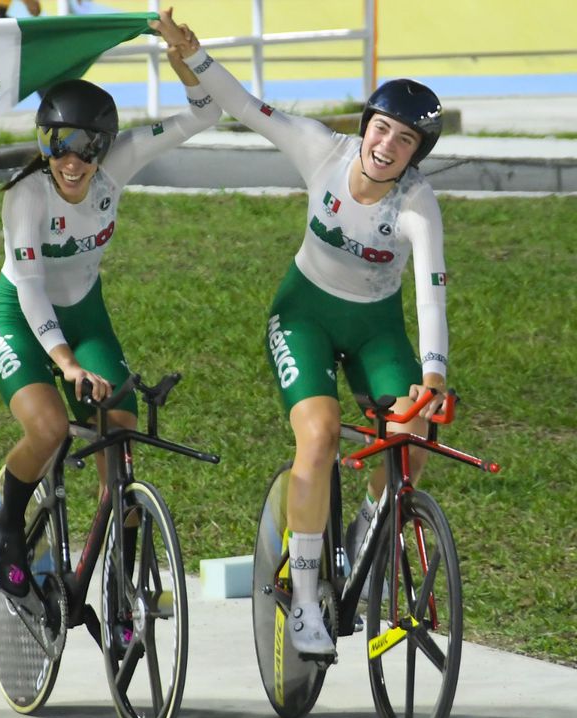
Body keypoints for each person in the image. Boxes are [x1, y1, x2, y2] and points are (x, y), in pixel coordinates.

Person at [153, 10, 449, 655]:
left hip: (378, 328)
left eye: (404, 140)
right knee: (316, 436)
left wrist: (434, 378)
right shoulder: (324, 149)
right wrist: (195, 55)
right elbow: (248, 108)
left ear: (416, 154)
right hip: (304, 314)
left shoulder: (417, 203)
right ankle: (307, 594)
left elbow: (431, 287)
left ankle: (369, 537)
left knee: (411, 439)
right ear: (365, 125)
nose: (386, 146)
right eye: (380, 129)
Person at [0, 54, 222, 598]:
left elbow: (205, 112)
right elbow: (30, 287)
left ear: (106, 148)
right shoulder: (26, 195)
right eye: (58, 143)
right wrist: (64, 362)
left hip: (87, 318)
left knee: (119, 432)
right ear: (43, 142)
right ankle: (6, 527)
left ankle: (121, 579)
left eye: (89, 146)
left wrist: (186, 61)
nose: (72, 159)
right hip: (20, 318)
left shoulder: (120, 164)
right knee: (48, 430)